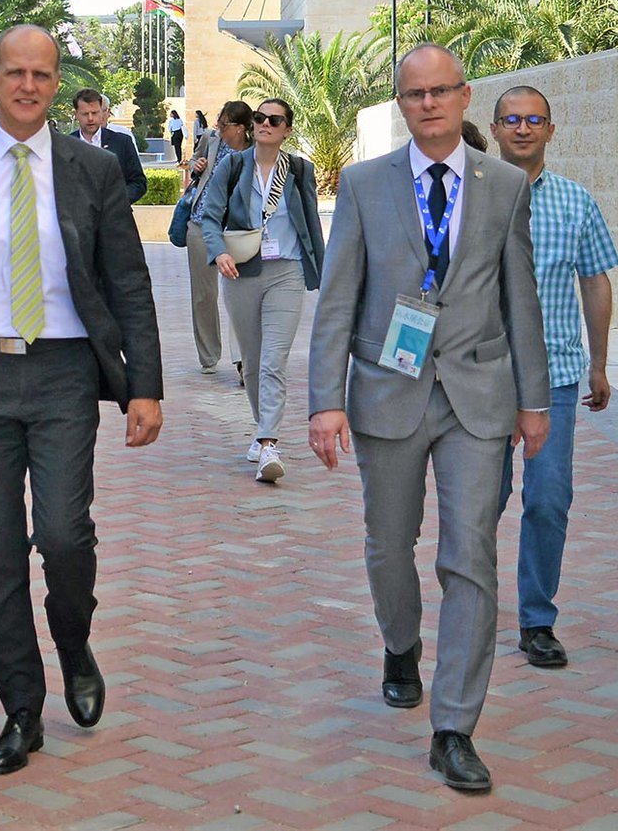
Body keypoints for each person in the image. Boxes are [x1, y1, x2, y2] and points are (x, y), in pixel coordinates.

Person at [0, 25, 164, 776]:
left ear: (56, 82)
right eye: (13, 72)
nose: (26, 85)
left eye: (40, 74)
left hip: (64, 374)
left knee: (64, 532)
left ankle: (73, 638)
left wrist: (143, 384)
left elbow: (127, 281)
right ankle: (21, 706)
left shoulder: (92, 168)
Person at [307, 43, 550, 794]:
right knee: (389, 543)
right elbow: (339, 296)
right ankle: (399, 643)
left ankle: (454, 726)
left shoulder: (505, 183)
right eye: (415, 94)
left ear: (466, 95)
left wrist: (533, 400)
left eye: (443, 90)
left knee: (470, 551)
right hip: (388, 389)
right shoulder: (362, 184)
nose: (430, 104)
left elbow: (521, 296)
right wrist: (325, 398)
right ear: (401, 103)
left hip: (477, 394)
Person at [487, 87, 618, 669]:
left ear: (551, 129)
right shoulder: (470, 197)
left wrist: (598, 362)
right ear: (493, 129)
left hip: (558, 377)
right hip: (484, 378)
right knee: (480, 502)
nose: (522, 129)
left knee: (549, 500)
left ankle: (537, 619)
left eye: (533, 120)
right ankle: (472, 606)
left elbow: (595, 281)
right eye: (511, 120)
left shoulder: (575, 202)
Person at [198, 97, 323, 484]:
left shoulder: (300, 170)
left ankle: (269, 442)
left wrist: (323, 268)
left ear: (287, 129)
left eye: (275, 119)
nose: (265, 123)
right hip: (241, 273)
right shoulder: (234, 166)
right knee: (251, 363)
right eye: (259, 118)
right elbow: (209, 215)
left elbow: (312, 222)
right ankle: (260, 428)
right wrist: (218, 254)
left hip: (286, 271)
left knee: (273, 360)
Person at [182, 102, 252, 377]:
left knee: (241, 295)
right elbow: (192, 167)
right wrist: (196, 166)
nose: (219, 130)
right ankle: (209, 356)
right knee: (203, 295)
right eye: (219, 124)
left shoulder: (255, 151)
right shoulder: (211, 140)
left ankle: (243, 359)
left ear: (241, 128)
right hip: (200, 224)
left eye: (225, 125)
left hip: (236, 230)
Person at [69, 89, 148, 204]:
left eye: (95, 113)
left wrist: (117, 201)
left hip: (115, 217)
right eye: (85, 114)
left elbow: (138, 183)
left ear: (102, 113)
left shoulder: (122, 142)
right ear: (76, 115)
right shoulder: (65, 146)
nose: (90, 118)